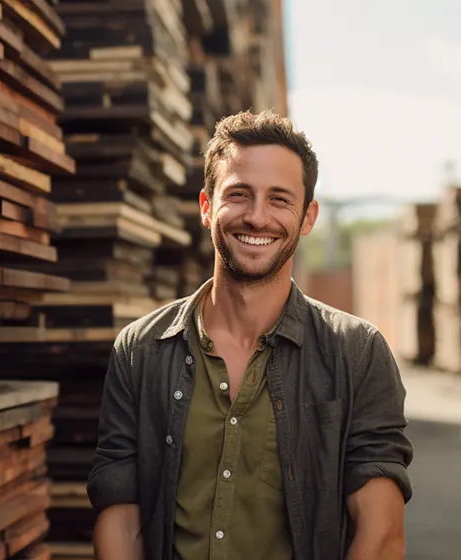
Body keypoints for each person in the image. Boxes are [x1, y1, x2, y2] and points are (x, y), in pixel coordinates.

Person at [87, 110, 414, 559]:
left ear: (307, 217)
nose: (257, 218)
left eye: (279, 199)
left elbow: (379, 535)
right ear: (206, 207)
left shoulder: (356, 353)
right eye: (239, 194)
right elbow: (121, 523)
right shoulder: (139, 351)